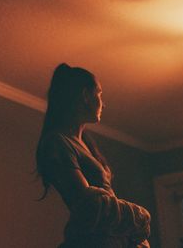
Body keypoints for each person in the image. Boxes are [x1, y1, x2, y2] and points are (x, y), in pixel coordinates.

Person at [36, 63, 151, 247]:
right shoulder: (57, 142)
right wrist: (139, 215)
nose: (103, 103)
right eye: (99, 94)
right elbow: (87, 203)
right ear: (85, 96)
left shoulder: (87, 144)